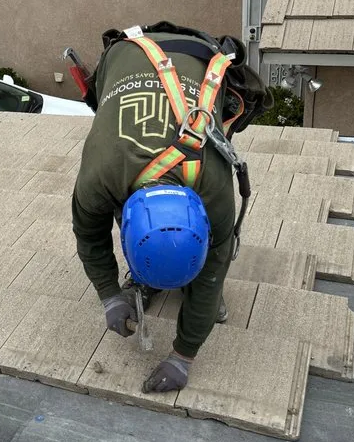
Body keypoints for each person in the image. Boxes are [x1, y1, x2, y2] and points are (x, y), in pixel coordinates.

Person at [71, 23, 256, 393]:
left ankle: (163, 272)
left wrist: (183, 356)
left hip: (202, 59)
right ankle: (145, 275)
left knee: (207, 281)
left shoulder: (216, 192)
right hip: (126, 55)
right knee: (126, 196)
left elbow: (213, 270)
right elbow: (89, 235)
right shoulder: (98, 178)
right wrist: (108, 294)